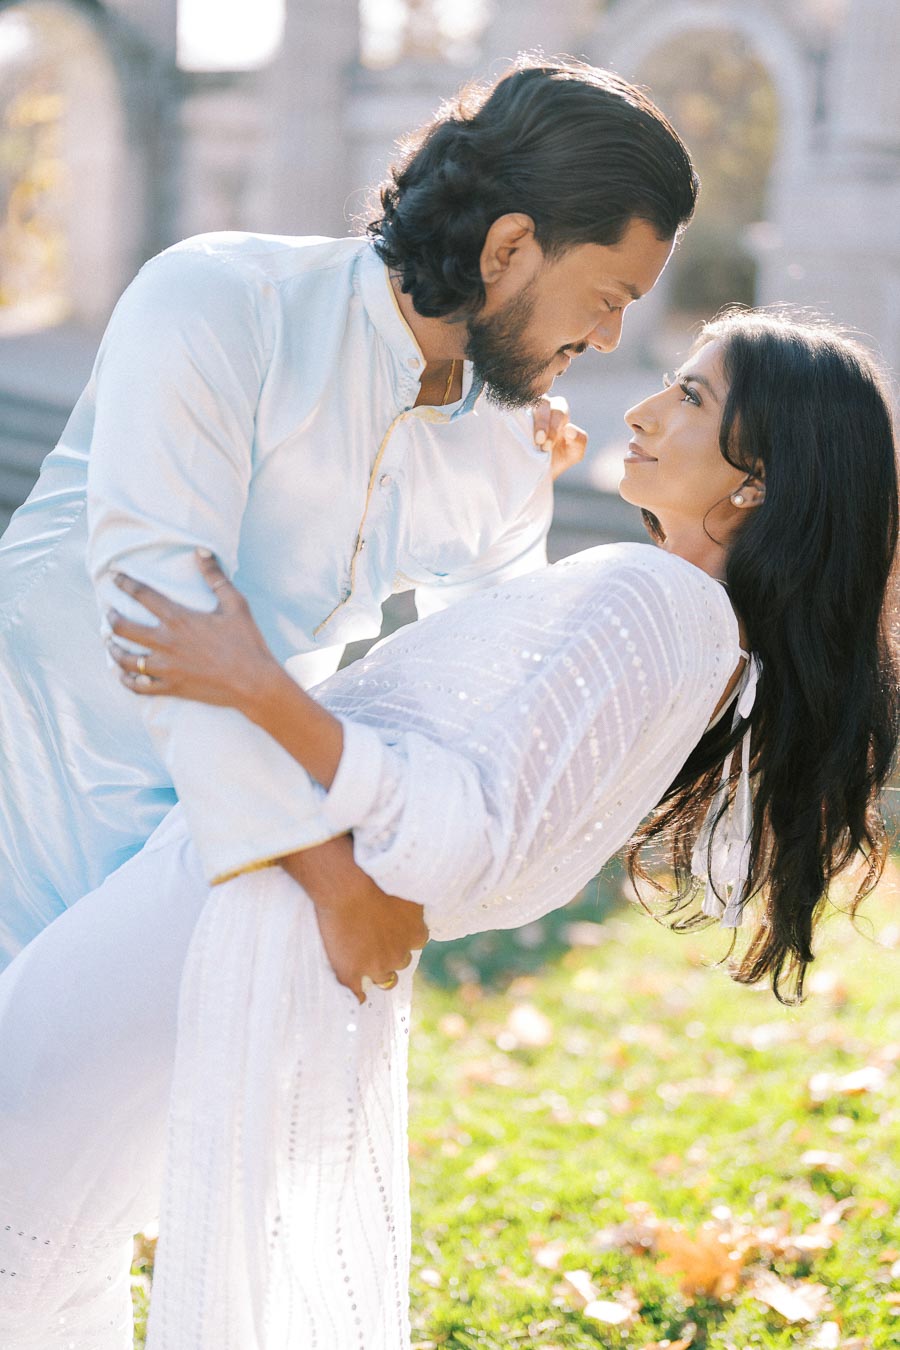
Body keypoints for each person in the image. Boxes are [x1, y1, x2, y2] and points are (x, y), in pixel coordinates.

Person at [0, 309, 896, 1350]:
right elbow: (463, 725)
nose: (646, 407)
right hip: (259, 899)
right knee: (53, 1250)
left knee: (28, 1224)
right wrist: (514, 502)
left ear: (760, 480)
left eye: (692, 397)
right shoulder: (694, 627)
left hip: (241, 900)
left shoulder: (660, 605)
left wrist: (250, 679)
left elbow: (461, 833)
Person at [0, 57, 697, 987]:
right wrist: (330, 874)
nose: (608, 341)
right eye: (608, 300)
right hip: (29, 799)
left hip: (199, 877)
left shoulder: (508, 444)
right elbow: (160, 608)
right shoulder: (219, 301)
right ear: (508, 248)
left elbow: (482, 692)